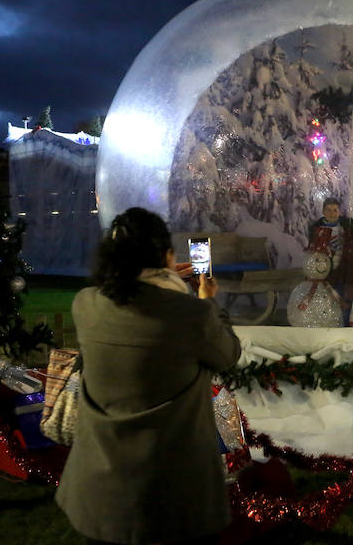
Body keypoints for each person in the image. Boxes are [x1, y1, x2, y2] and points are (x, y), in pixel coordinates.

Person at [56, 207, 241, 545]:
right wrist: (206, 301)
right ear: (166, 255)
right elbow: (227, 355)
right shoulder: (192, 314)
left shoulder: (85, 304)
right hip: (171, 493)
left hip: (100, 490)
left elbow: (118, 300)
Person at [308, 197, 351, 324]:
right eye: (329, 210)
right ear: (323, 211)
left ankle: (344, 327)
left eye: (335, 210)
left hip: (343, 272)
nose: (332, 213)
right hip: (324, 273)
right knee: (326, 302)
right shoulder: (316, 229)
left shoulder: (345, 227)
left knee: (343, 301)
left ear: (339, 212)